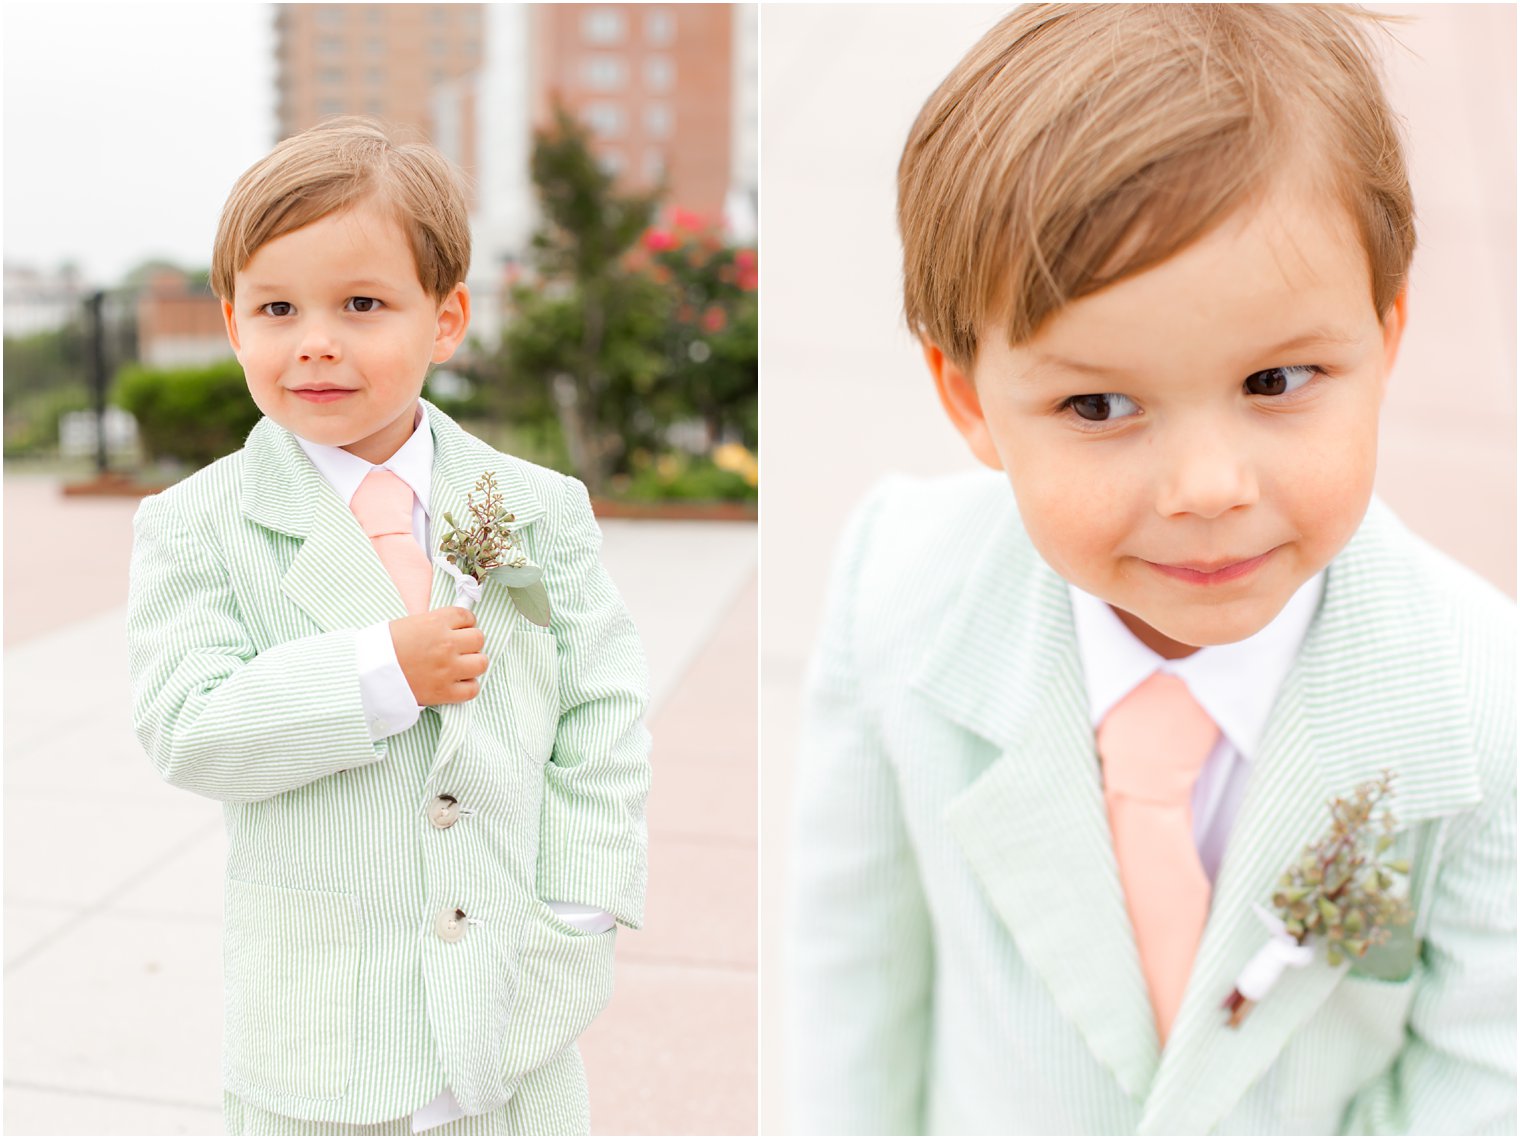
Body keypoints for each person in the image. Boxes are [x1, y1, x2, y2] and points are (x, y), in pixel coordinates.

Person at [787, 6, 1515, 1134]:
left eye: (1275, 381)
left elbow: (1484, 1075)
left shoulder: (1478, 698)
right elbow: (851, 972)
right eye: (1099, 404)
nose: (1206, 485)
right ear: (969, 399)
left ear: (1385, 333)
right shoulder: (899, 589)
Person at [127, 118, 651, 1136]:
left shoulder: (536, 507)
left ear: (445, 318)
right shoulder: (197, 524)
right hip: (324, 1031)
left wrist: (580, 909)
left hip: (517, 1006)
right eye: (277, 307)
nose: (315, 339)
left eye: (361, 304)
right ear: (234, 324)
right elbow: (184, 723)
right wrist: (378, 668)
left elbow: (602, 707)